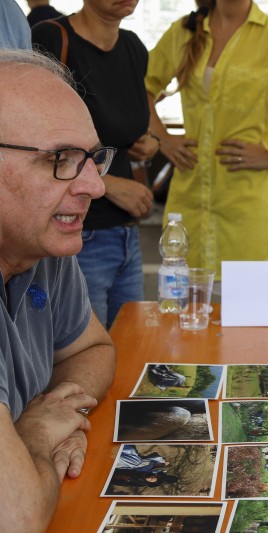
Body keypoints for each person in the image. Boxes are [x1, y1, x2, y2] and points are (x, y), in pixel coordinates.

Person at [0, 49, 116, 532]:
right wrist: (35, 436)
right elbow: (16, 516)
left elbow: (93, 347)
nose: (96, 186)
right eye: (59, 159)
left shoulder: (42, 247)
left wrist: (57, 412)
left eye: (92, 159)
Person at [145, 0, 268, 279]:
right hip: (189, 211)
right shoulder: (184, 31)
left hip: (252, 221)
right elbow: (141, 87)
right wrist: (163, 139)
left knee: (250, 307)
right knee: (188, 305)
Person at [32, 0, 157, 330]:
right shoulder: (52, 38)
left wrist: (152, 140)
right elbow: (33, 139)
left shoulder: (134, 47)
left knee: (129, 347)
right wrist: (109, 186)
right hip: (76, 231)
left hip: (125, 232)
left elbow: (128, 127)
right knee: (82, 351)